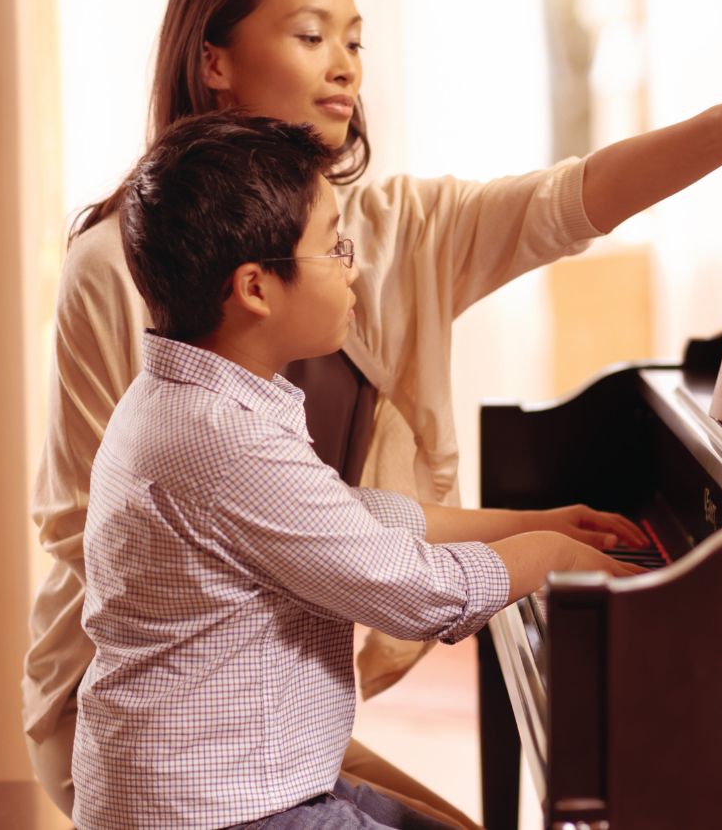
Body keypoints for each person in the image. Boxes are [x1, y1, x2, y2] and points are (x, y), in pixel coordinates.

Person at [24, 0, 722, 820]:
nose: (345, 67)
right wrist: (510, 557)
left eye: (355, 41)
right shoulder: (120, 268)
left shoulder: (382, 234)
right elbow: (104, 528)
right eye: (311, 36)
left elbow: (568, 200)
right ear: (215, 62)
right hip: (160, 723)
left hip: (284, 689)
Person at [72, 110, 646, 830]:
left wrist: (530, 522)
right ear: (255, 287)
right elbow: (419, 593)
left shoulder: (196, 394)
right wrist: (554, 556)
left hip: (234, 780)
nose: (356, 266)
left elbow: (347, 517)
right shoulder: (221, 438)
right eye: (335, 247)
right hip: (219, 812)